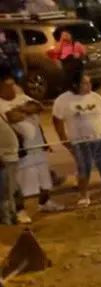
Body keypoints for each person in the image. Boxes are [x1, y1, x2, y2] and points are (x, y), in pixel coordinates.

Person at [0, 72, 63, 215]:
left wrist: (21, 109)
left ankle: (45, 202)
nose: (12, 88)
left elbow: (38, 107)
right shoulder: (1, 104)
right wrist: (25, 109)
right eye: (8, 86)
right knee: (22, 181)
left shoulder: (22, 97)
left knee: (43, 177)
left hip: (37, 146)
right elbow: (13, 117)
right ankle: (20, 210)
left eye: (13, 84)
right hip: (21, 150)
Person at [52, 71, 101, 207]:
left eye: (89, 82)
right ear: (75, 85)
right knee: (83, 168)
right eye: (85, 83)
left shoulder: (96, 97)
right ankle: (84, 196)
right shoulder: (63, 100)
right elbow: (57, 120)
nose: (89, 86)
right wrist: (63, 139)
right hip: (79, 140)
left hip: (100, 137)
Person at [0, 114, 19, 224]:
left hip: (9, 156)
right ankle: (7, 219)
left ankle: (11, 216)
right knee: (6, 191)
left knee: (10, 190)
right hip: (4, 158)